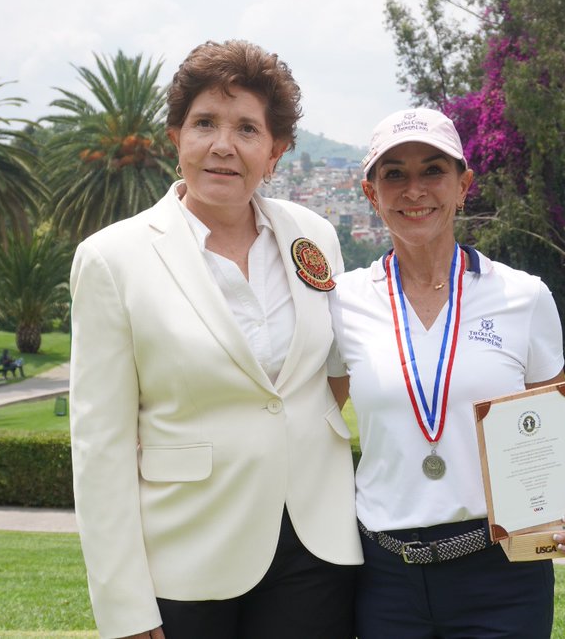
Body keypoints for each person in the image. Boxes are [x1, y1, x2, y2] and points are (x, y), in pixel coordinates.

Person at [68, 39, 361, 639]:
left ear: (274, 153)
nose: (223, 145)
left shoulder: (313, 236)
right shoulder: (111, 260)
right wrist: (124, 606)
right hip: (187, 555)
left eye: (247, 129)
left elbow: (334, 371)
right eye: (205, 122)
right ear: (176, 136)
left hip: (316, 547)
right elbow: (101, 445)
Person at [328, 107, 565, 638]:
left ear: (463, 186)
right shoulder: (343, 302)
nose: (415, 190)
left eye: (433, 170)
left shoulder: (523, 296)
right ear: (371, 194)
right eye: (394, 174)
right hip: (385, 575)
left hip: (501, 571)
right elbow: (316, 419)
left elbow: (554, 427)